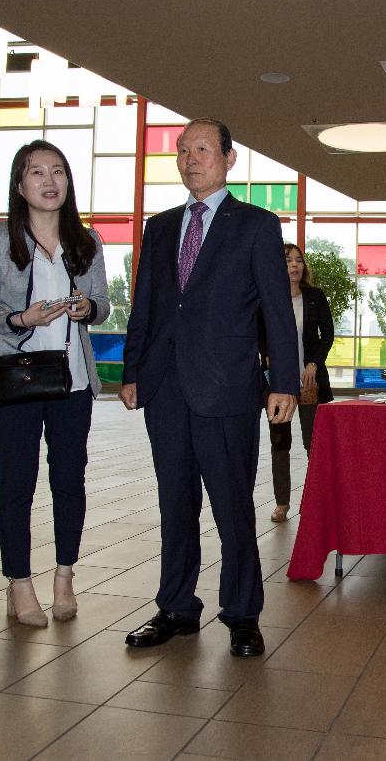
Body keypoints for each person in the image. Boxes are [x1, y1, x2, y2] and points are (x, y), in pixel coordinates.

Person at [120, 118, 298, 658]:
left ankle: (242, 613)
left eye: (201, 149)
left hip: (228, 389)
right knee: (174, 503)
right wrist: (132, 371)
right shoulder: (159, 227)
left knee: (232, 507)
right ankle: (176, 606)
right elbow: (146, 307)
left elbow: (276, 310)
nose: (190, 158)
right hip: (167, 387)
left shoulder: (256, 226)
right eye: (182, 150)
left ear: (228, 159)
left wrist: (284, 381)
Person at [0, 141, 109, 627]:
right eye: (36, 172)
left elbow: (101, 303)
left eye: (58, 171)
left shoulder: (87, 241)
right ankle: (19, 583)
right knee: (16, 483)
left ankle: (64, 575)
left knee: (68, 480)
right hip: (19, 379)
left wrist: (86, 308)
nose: (49, 181)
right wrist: (22, 317)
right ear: (20, 185)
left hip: (72, 382)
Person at [267, 242, 334, 523]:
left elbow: (326, 335)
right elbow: (258, 334)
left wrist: (313, 363)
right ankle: (282, 503)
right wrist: (266, 356)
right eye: (287, 261)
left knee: (313, 443)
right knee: (280, 443)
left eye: (298, 260)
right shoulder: (268, 298)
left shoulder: (315, 296)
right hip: (279, 385)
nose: (294, 265)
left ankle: (316, 501)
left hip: (310, 383)